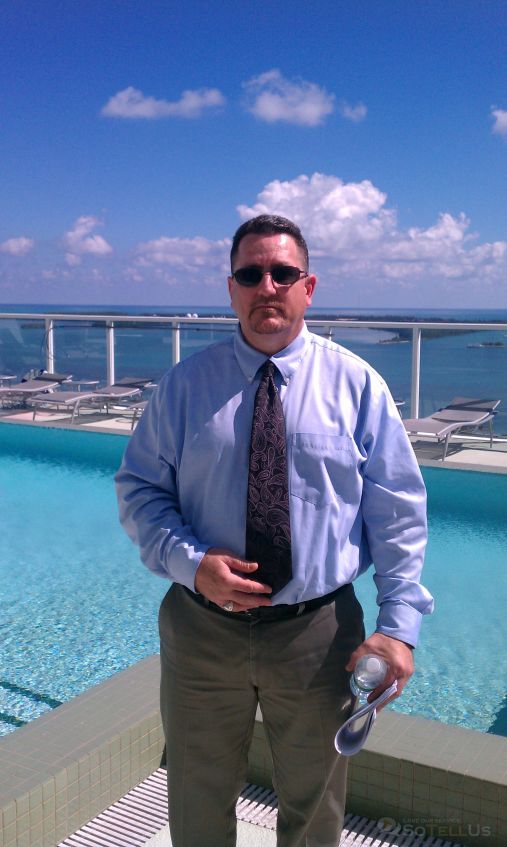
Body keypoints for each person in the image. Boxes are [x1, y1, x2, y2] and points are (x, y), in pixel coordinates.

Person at [115, 214, 433, 847]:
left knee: (315, 808)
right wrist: (190, 563)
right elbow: (140, 490)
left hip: (319, 635)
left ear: (308, 287)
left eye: (283, 273)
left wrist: (398, 628)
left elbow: (397, 513)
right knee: (197, 796)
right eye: (250, 274)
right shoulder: (183, 387)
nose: (267, 286)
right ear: (230, 289)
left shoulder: (357, 386)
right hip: (202, 629)